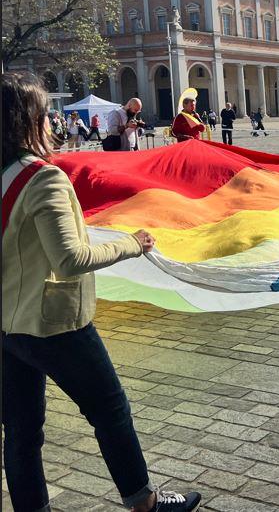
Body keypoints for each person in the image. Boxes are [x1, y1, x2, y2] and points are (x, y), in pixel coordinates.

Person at [1, 73, 201, 512]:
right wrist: (133, 243)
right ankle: (145, 503)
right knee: (110, 410)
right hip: (54, 324)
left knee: (21, 432)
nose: (52, 121)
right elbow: (70, 259)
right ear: (28, 119)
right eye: (45, 113)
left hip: (7, 326)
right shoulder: (43, 179)